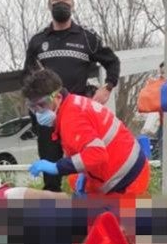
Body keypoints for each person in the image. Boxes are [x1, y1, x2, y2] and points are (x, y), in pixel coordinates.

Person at [23, 0, 120, 192]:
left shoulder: (87, 37)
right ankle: (54, 221)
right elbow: (27, 78)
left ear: (73, 3)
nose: (61, 2)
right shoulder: (38, 41)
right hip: (49, 119)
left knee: (84, 176)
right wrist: (35, 115)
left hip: (78, 119)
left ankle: (84, 219)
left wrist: (108, 87)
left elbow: (112, 61)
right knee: (51, 179)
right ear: (49, 4)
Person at [21, 68, 148, 200]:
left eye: (42, 105)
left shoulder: (71, 118)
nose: (38, 113)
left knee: (98, 219)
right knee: (74, 181)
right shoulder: (73, 103)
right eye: (33, 107)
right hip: (127, 168)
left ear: (57, 97)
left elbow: (97, 154)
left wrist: (57, 167)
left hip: (126, 179)